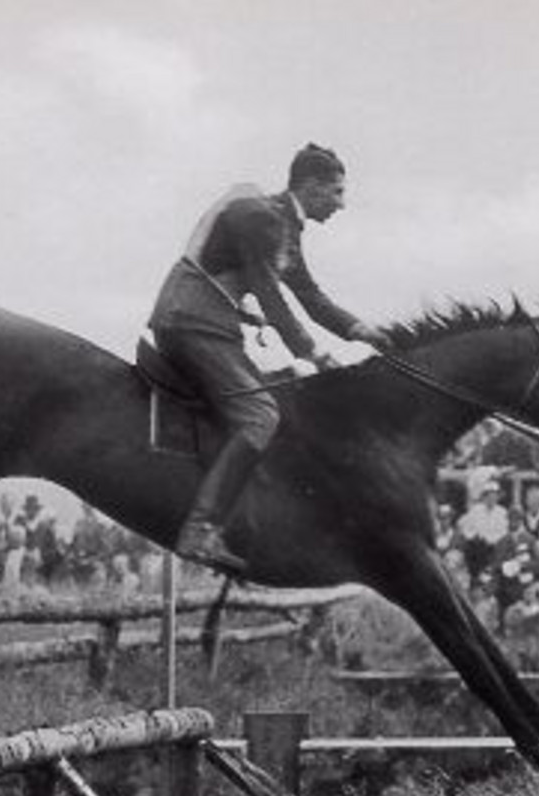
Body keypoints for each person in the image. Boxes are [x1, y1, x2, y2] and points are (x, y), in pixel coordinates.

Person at [147, 143, 392, 572]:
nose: (342, 204)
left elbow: (312, 298)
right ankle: (200, 530)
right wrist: (313, 353)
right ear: (312, 187)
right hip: (194, 320)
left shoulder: (285, 228)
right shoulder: (261, 218)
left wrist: (367, 333)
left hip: (210, 323)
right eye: (337, 192)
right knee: (260, 416)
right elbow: (267, 290)